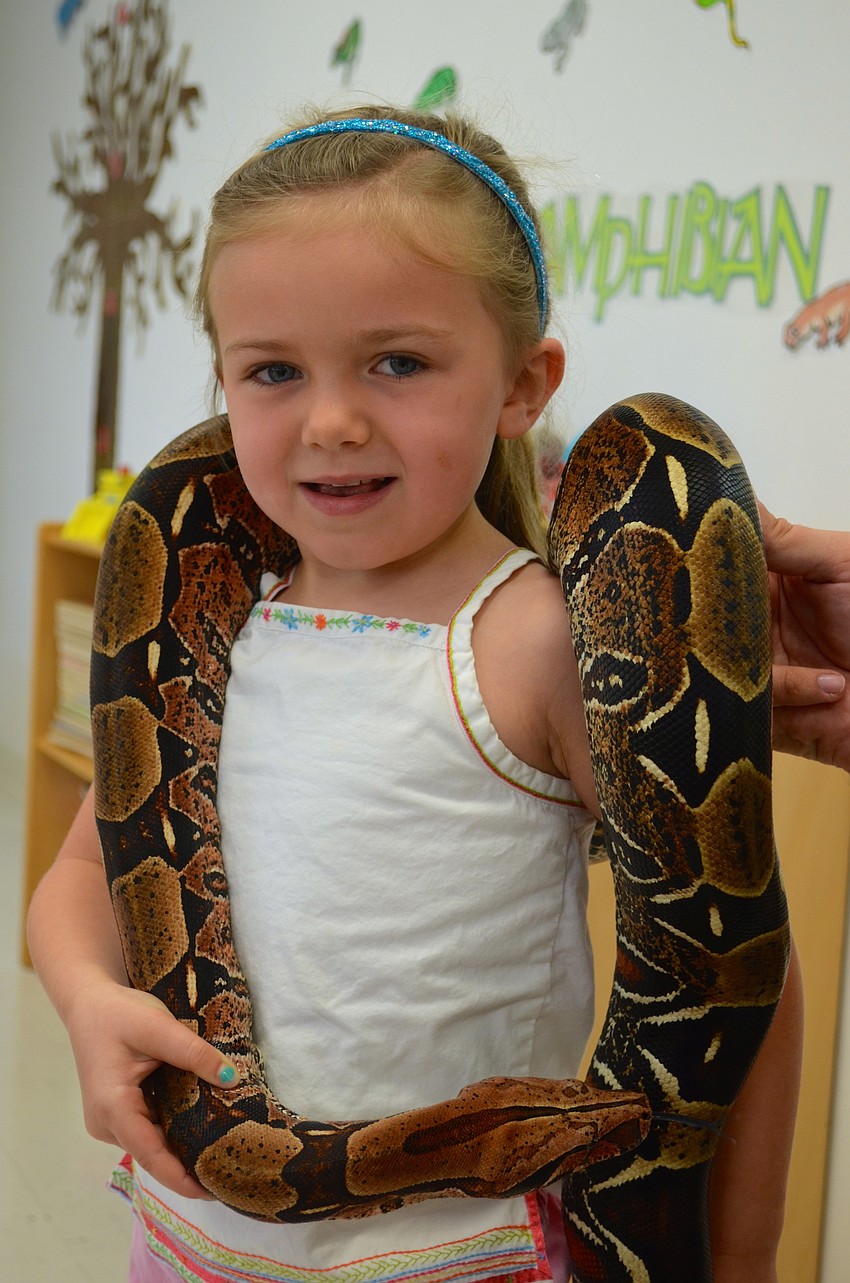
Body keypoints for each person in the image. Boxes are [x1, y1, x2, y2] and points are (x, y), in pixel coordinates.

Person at [27, 103, 835, 1283]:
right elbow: (82, 871)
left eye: (397, 361)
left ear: (522, 384)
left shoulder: (536, 641)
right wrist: (85, 996)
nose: (334, 418)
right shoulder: (213, 636)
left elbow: (726, 966)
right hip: (195, 1236)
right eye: (272, 370)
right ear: (222, 383)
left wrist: (744, 1260)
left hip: (468, 1254)